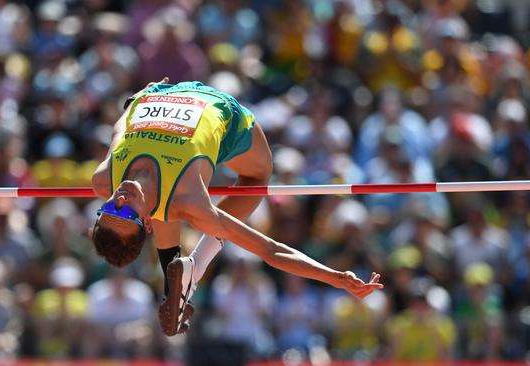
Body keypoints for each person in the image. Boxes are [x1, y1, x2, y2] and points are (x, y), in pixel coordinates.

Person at [90, 78, 383, 336]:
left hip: (163, 95)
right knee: (256, 177)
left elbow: (121, 124)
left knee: (166, 206)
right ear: (146, 223)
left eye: (109, 211)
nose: (120, 200)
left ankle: (182, 280)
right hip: (222, 113)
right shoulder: (191, 200)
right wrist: (336, 277)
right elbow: (270, 249)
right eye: (126, 214)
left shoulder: (105, 178)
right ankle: (192, 272)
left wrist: (136, 99)